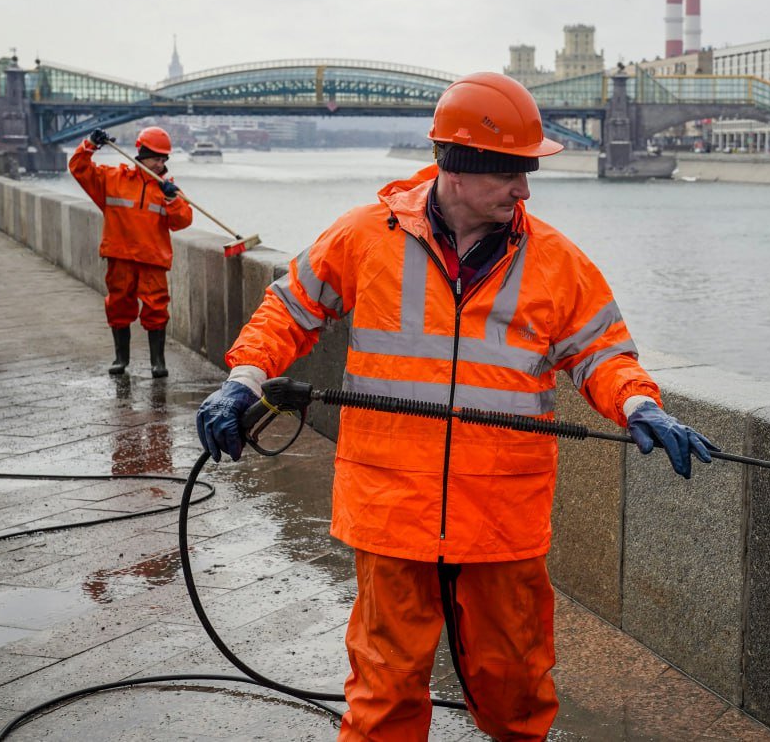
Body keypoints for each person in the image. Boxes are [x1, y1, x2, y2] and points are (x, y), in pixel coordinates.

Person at [195, 72, 715, 741]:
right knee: (383, 694)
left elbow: (603, 354)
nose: (525, 189)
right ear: (458, 171)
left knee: (516, 692)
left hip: (501, 518)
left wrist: (641, 404)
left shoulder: (557, 262)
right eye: (511, 174)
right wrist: (243, 379)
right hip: (391, 512)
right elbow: (287, 310)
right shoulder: (363, 237)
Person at [70, 126, 193, 377]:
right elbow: (79, 168)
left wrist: (173, 200)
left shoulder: (167, 188)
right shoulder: (113, 178)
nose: (160, 164)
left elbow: (182, 222)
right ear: (142, 155)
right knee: (118, 306)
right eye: (155, 158)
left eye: (163, 159)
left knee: (156, 309)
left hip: (152, 259)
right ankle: (120, 359)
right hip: (120, 255)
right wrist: (90, 145)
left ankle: (157, 362)